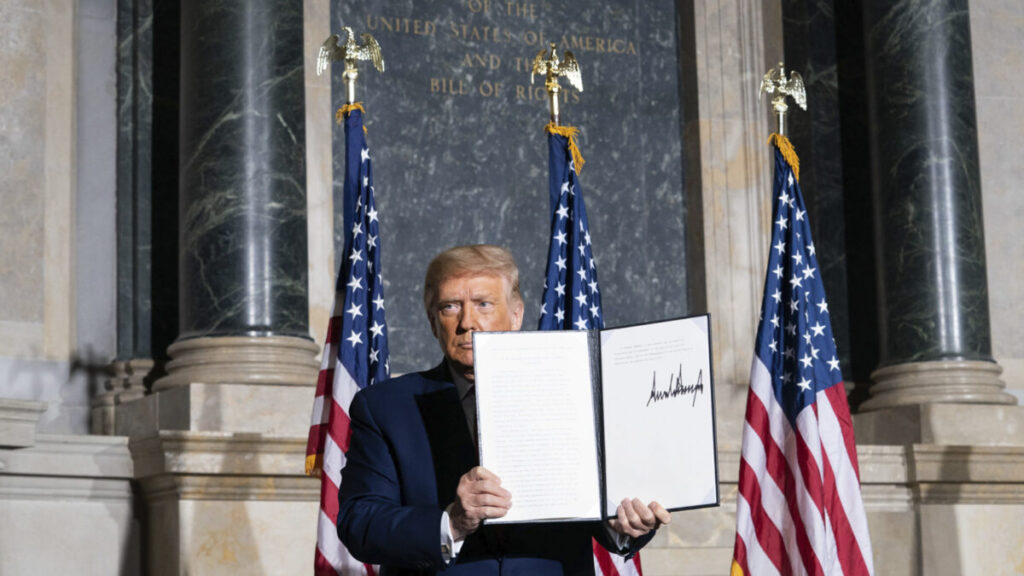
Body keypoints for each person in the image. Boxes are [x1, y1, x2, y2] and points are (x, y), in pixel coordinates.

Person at [337, 244, 670, 575]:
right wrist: (451, 522)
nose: (467, 322)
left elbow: (609, 514)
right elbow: (359, 523)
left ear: (516, 315)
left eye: (483, 304)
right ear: (432, 322)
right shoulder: (385, 407)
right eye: (450, 306)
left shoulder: (577, 395)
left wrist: (624, 524)